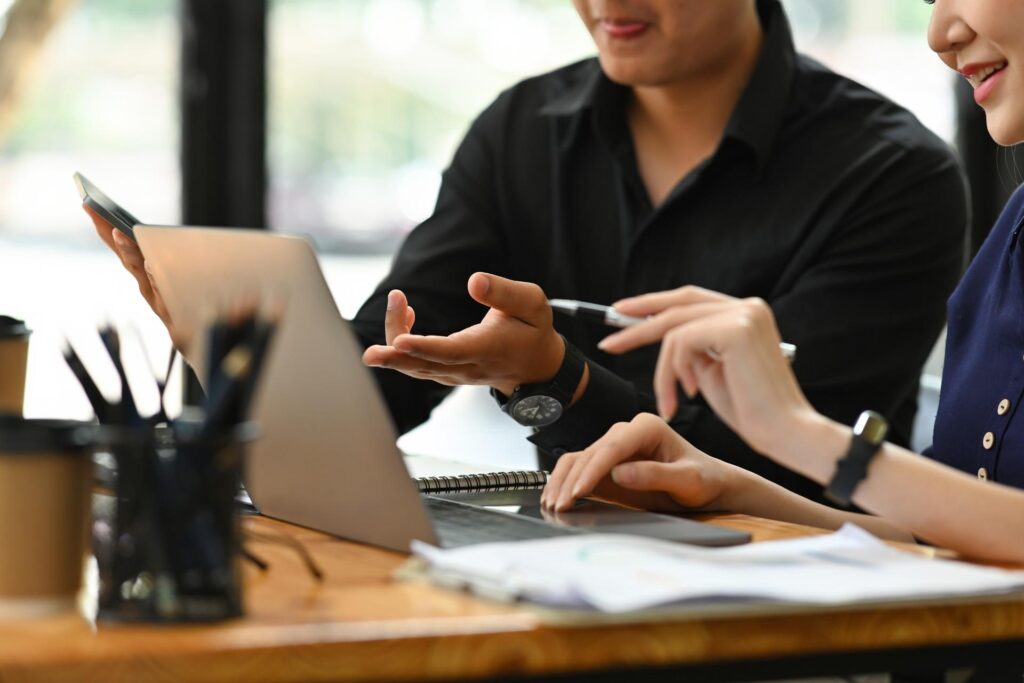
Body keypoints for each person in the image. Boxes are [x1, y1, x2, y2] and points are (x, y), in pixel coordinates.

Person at [88, 0, 968, 504]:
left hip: (793, 619)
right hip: (559, 588)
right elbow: (380, 378)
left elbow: (759, 474)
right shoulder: (520, 134)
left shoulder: (892, 177)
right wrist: (227, 349)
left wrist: (556, 378)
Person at [540, 0, 1024, 565]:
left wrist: (800, 433)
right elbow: (952, 539)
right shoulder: (1012, 232)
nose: (940, 35)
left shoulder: (892, 170)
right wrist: (725, 489)